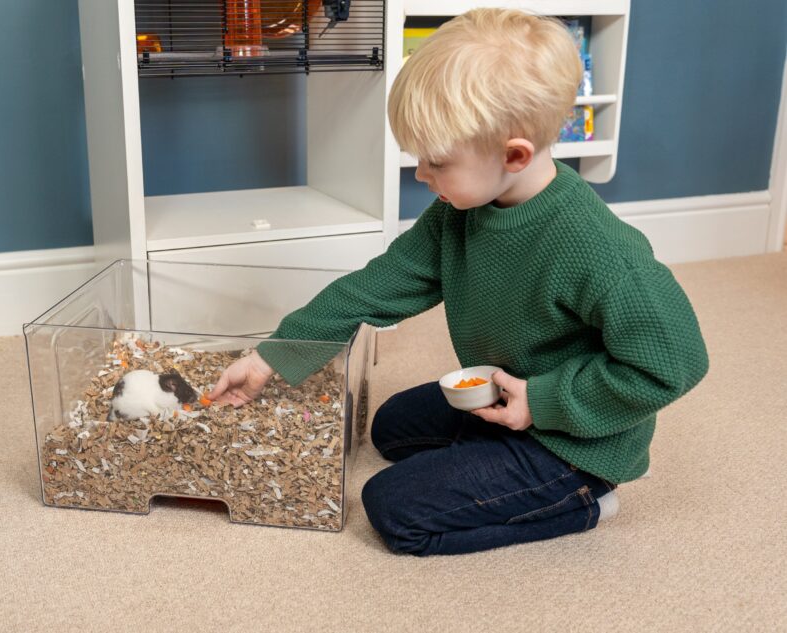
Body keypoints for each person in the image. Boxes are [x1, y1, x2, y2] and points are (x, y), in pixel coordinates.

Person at [207, 8, 709, 556]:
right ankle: (492, 455)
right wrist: (268, 358)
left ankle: (584, 502)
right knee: (391, 427)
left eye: (436, 163)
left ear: (513, 154)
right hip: (504, 391)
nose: (422, 175)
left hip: (574, 440)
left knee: (392, 509)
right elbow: (379, 285)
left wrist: (541, 403)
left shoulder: (599, 249)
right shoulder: (460, 210)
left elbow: (675, 363)